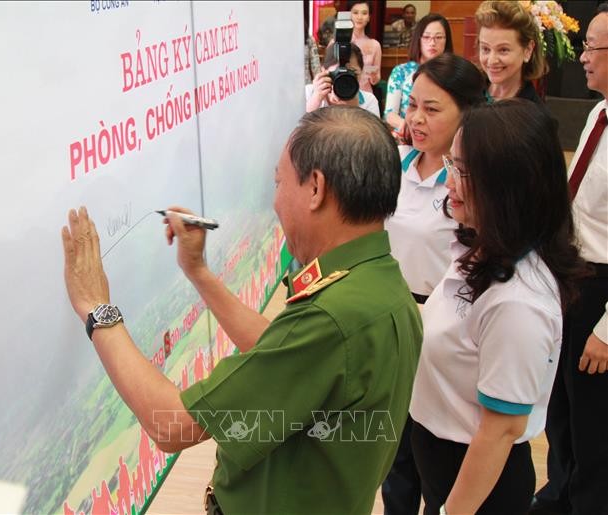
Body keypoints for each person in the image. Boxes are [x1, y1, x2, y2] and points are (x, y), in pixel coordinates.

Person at [61, 106, 423, 515]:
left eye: (278, 182)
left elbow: (171, 424)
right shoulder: (380, 286)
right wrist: (197, 271)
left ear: (316, 188)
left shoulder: (333, 319)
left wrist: (97, 310)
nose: (275, 202)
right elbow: (281, 351)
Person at [409, 100, 587, 515]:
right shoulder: (486, 248)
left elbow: (502, 428)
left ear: (508, 187)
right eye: (450, 164)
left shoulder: (519, 303)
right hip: (443, 458)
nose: (449, 181)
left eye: (463, 171)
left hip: (476, 480)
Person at [381, 53, 486, 515]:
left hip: (444, 324)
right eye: (412, 105)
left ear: (467, 113)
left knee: (434, 450)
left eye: (432, 109)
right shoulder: (395, 165)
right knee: (394, 452)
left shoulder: (472, 185)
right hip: (391, 316)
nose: (416, 119)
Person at [531, 4, 608, 515]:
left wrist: (607, 330)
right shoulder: (600, 113)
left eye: (591, 48)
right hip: (574, 276)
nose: (582, 58)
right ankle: (559, 492)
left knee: (594, 423)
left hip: (601, 291)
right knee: (561, 407)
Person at [385, 14, 453, 142]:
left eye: (438, 37)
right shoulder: (401, 71)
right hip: (407, 137)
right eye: (427, 37)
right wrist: (407, 126)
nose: (432, 43)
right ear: (418, 39)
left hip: (442, 138)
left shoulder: (453, 72)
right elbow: (390, 114)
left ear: (446, 40)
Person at [474, 0, 547, 103]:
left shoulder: (535, 114)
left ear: (528, 50)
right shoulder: (465, 94)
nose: (491, 61)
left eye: (503, 50)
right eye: (486, 49)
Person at [306, 43, 380, 117]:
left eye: (352, 72)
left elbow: (373, 129)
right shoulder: (309, 93)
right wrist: (316, 100)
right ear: (324, 71)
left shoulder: (369, 100)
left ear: (361, 72)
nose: (344, 79)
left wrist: (354, 109)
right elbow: (298, 126)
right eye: (338, 73)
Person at [327, 1, 382, 94]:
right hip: (341, 92)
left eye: (364, 13)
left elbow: (376, 79)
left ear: (369, 17)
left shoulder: (375, 45)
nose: (359, 17)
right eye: (355, 12)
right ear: (349, 15)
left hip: (365, 94)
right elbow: (327, 70)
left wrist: (374, 76)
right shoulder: (336, 42)